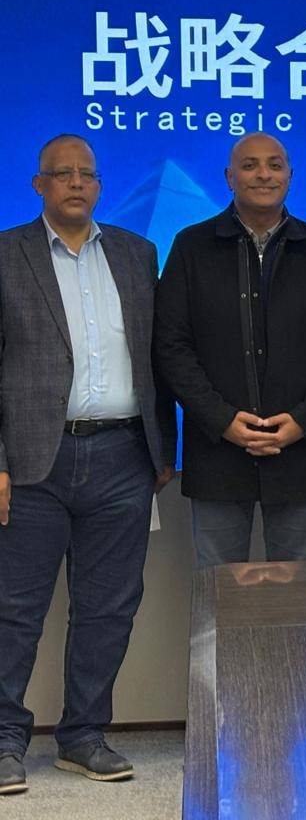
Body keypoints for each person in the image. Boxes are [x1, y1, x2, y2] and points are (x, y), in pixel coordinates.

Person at [0, 135, 175, 794]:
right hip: (32, 460)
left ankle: (83, 735)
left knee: (108, 608)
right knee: (14, 609)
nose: (76, 183)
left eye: (87, 174)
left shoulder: (136, 253)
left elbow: (159, 357)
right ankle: (5, 739)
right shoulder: (7, 253)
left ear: (100, 186)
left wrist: (161, 447)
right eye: (62, 174)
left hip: (123, 457)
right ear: (38, 185)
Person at [155, 133, 306, 568]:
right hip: (217, 453)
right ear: (229, 177)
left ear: (290, 175)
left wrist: (304, 420)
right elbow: (171, 346)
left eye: (274, 165)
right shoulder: (191, 247)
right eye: (249, 165)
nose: (263, 174)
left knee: (296, 592)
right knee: (218, 590)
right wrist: (221, 420)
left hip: (300, 454)